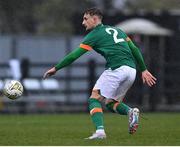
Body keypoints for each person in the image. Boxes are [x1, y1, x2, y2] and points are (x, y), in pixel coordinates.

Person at [43, 7, 156, 139]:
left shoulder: (94, 35)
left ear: (95, 19)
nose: (83, 22)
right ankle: (131, 112)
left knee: (94, 98)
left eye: (85, 19)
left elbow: (74, 56)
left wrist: (56, 68)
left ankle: (100, 132)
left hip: (116, 69)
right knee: (110, 103)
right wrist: (143, 69)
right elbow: (135, 49)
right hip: (131, 70)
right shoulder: (118, 30)